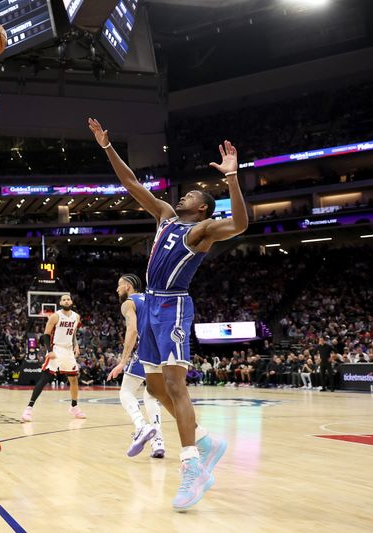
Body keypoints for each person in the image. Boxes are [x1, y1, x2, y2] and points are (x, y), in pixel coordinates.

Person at [89, 118, 247, 511]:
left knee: (176, 386)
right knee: (156, 390)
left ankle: (192, 466)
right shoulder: (164, 216)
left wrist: (232, 179)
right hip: (151, 306)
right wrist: (108, 147)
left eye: (192, 195)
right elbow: (131, 185)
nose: (184, 197)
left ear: (203, 208)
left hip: (174, 305)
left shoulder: (202, 231)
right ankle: (207, 440)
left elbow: (242, 223)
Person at [107, 274, 165, 459]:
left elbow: (132, 330)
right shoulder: (150, 298)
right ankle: (158, 443)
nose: (117, 289)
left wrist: (123, 361)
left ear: (128, 286)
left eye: (119, 285)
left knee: (125, 391)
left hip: (148, 349)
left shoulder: (129, 303)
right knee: (151, 396)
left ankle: (141, 426)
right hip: (164, 349)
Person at [21, 294, 86, 422]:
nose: (66, 301)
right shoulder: (55, 316)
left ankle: (74, 406)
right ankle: (28, 409)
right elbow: (45, 335)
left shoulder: (76, 317)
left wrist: (76, 345)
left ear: (71, 301)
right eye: (64, 299)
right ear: (60, 302)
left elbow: (73, 334)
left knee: (74, 379)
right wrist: (49, 351)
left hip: (68, 351)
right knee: (45, 378)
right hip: (56, 349)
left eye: (68, 299)